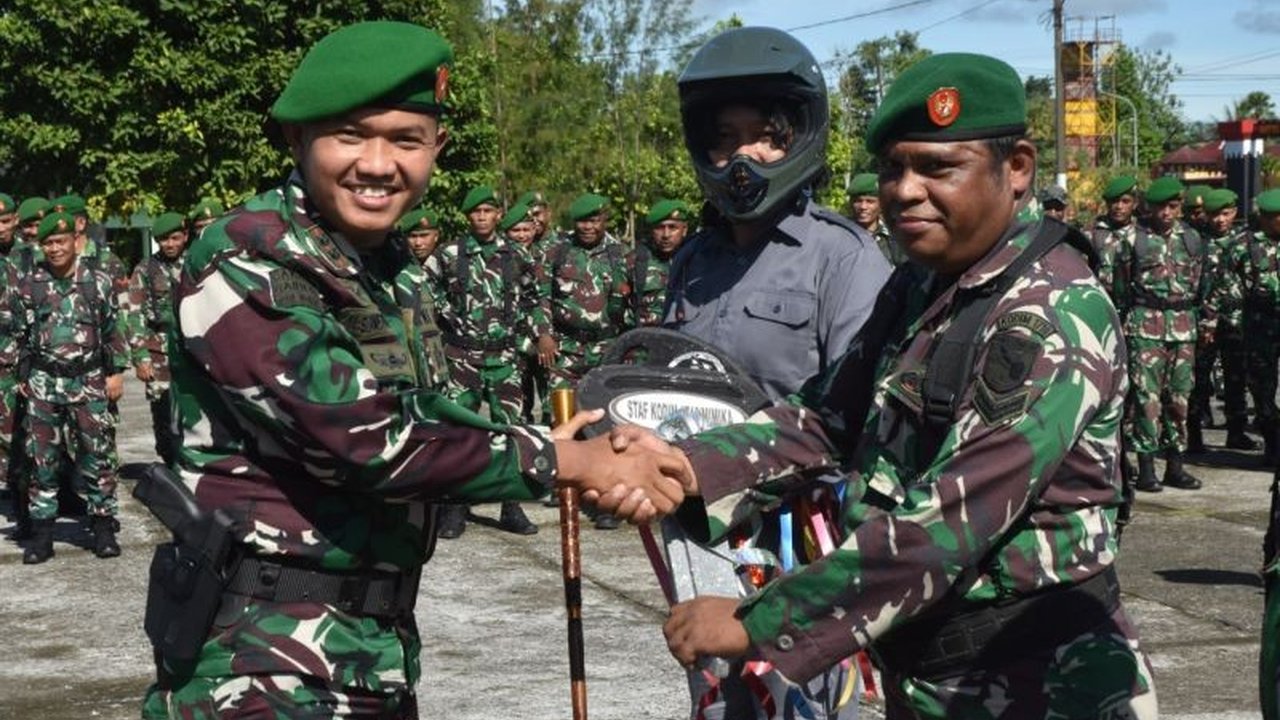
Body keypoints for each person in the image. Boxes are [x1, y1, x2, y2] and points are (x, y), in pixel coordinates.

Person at [138, 22, 688, 718]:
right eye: (350, 134)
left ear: (436, 149)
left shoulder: (390, 269)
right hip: (262, 662)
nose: (377, 163)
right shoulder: (248, 259)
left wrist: (596, 442)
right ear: (297, 139)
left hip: (368, 649)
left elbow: (437, 407)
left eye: (405, 139)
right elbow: (369, 440)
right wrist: (567, 463)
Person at [639, 51, 1157, 719]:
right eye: (893, 168)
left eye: (938, 167)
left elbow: (949, 519)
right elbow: (824, 418)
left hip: (1041, 684)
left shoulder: (1050, 311)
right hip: (930, 677)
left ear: (1018, 168)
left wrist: (757, 621)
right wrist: (681, 467)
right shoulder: (921, 285)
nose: (905, 190)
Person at [662, 25, 892, 720]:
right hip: (704, 534)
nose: (744, 157)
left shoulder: (843, 258)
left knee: (818, 704)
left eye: (765, 135)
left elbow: (861, 421)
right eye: (724, 138)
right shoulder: (693, 262)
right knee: (722, 699)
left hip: (806, 540)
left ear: (800, 136)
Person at [6, 211, 127, 563]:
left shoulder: (98, 281)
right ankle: (42, 537)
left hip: (88, 381)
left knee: (97, 454)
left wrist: (115, 373)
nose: (55, 248)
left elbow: (112, 330)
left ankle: (102, 528)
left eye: (60, 241)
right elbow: (18, 335)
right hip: (44, 383)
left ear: (75, 241)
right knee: (42, 461)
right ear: (41, 247)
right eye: (48, 243)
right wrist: (21, 379)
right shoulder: (30, 285)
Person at [427, 187, 543, 538]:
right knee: (459, 432)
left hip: (504, 357)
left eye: (488, 211)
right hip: (462, 356)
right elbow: (426, 289)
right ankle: (454, 507)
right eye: (475, 212)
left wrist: (529, 339)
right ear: (468, 217)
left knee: (511, 430)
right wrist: (449, 319)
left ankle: (511, 505)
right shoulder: (449, 254)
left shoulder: (517, 255)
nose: (481, 217)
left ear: (497, 215)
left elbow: (534, 299)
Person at [537, 192, 634, 529]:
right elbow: (540, 296)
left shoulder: (620, 254)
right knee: (560, 415)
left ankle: (604, 494)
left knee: (603, 421)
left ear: (604, 220)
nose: (589, 226)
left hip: (605, 349)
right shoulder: (557, 251)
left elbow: (630, 300)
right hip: (565, 347)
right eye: (583, 221)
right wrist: (543, 334)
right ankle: (562, 480)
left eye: (594, 220)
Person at [1110, 177, 1206, 492]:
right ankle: (1148, 466)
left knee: (1179, 398)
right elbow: (1121, 287)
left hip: (1183, 326)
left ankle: (1176, 466)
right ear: (1149, 207)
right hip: (1145, 325)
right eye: (1161, 206)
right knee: (1145, 399)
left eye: (1173, 206)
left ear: (1180, 207)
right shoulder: (1133, 240)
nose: (1166, 212)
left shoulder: (1192, 239)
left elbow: (1200, 284)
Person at [1211, 189, 1280, 466]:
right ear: (1264, 218)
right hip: (1259, 328)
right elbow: (1228, 289)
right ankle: (1273, 442)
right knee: (1262, 389)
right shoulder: (1241, 246)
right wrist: (1238, 326)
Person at [1190, 188, 1253, 453]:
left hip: (1236, 320)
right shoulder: (1196, 241)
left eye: (1225, 214)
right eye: (1214, 214)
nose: (1219, 220)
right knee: (1199, 378)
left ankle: (1236, 432)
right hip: (1204, 321)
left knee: (1236, 377)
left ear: (1234, 213)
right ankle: (1194, 435)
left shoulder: (1245, 242)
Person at [126, 211, 188, 465]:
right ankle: (170, 461)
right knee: (163, 414)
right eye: (164, 239)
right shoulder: (146, 268)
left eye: (175, 238)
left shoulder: (198, 262)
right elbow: (134, 313)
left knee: (195, 412)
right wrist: (140, 356)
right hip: (159, 352)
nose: (170, 244)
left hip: (193, 350)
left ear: (185, 235)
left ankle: (193, 466)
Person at [634, 198, 690, 327]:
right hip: (646, 343)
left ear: (684, 229)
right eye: (659, 228)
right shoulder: (636, 261)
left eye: (672, 227)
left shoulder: (698, 263)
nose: (666, 234)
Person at [849, 172, 903, 265]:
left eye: (870, 202)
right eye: (858, 201)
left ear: (881, 204)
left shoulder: (895, 235)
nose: (863, 207)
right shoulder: (841, 233)